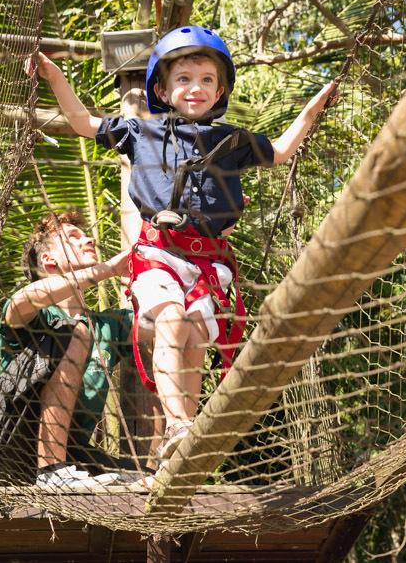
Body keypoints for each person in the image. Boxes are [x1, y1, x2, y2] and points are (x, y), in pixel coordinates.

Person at [28, 25, 336, 467]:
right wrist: (56, 78)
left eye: (207, 79)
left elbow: (283, 150)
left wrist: (311, 110)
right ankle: (175, 422)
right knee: (170, 319)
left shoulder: (233, 140)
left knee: (192, 338)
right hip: (158, 253)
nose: (196, 88)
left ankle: (181, 446)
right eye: (184, 79)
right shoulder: (140, 132)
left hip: (207, 263)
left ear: (221, 89)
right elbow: (82, 122)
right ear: (162, 89)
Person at [0, 209, 140, 488]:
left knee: (150, 479)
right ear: (48, 260)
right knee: (74, 331)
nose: (89, 240)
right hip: (6, 444)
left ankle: (59, 470)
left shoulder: (108, 326)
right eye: (73, 237)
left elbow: (169, 321)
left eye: (85, 235)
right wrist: (107, 270)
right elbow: (22, 301)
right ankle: (52, 471)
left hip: (75, 456)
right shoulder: (36, 314)